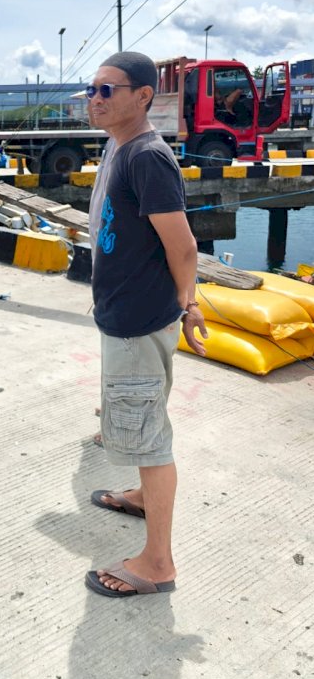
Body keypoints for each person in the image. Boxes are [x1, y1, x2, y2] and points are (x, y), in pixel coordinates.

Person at [84, 51, 207, 598]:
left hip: (139, 323)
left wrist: (191, 304)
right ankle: (139, 495)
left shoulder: (147, 159)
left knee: (151, 439)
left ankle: (158, 564)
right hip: (124, 315)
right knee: (141, 420)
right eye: (92, 88)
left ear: (142, 97)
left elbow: (183, 247)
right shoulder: (118, 147)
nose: (95, 97)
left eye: (108, 90)